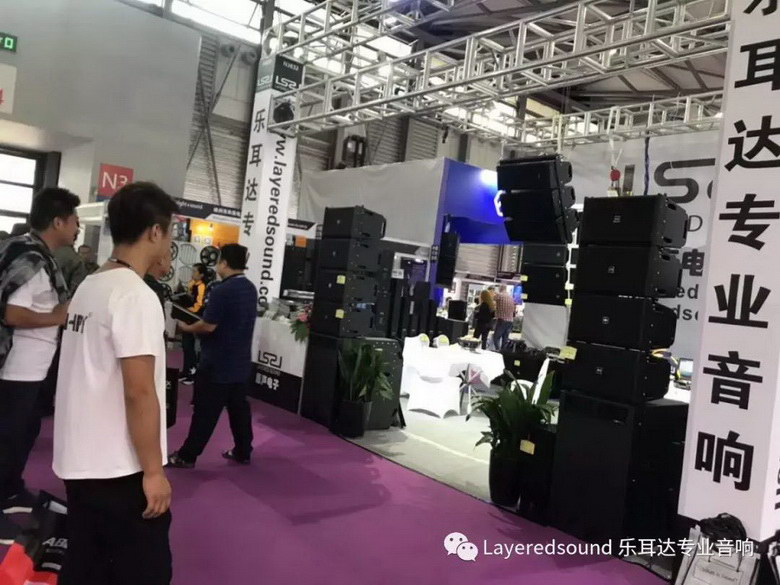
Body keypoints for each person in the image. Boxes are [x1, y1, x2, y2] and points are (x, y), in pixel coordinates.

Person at [54, 182, 177, 585]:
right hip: (118, 468)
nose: (169, 242)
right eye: (170, 231)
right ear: (155, 232)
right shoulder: (134, 296)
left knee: (87, 565)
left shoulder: (91, 285)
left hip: (79, 459)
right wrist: (153, 472)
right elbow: (139, 391)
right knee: (143, 571)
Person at [0, 188, 79, 544]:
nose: (77, 228)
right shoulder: (30, 258)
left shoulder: (35, 253)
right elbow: (13, 314)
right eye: (74, 221)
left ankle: (10, 489)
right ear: (58, 222)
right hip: (16, 368)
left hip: (30, 369)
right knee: (6, 437)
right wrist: (57, 316)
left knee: (22, 433)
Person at [168, 244, 258, 469]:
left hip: (217, 363)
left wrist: (186, 328)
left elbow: (209, 326)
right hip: (240, 362)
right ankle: (243, 451)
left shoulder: (221, 290)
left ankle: (187, 456)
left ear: (224, 263)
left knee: (204, 412)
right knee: (239, 410)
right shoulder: (250, 289)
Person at [179, 263, 206, 385]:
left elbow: (198, 305)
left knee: (192, 347)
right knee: (186, 346)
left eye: (195, 271)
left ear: (201, 274)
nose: (192, 273)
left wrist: (187, 310)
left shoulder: (201, 286)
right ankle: (185, 371)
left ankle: (192, 373)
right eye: (192, 270)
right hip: (187, 317)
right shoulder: (191, 283)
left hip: (195, 319)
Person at [493, 285, 516, 351]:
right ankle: (503, 352)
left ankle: (498, 350)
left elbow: (492, 300)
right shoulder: (511, 297)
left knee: (496, 337)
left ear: (500, 288)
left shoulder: (499, 295)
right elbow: (514, 310)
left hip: (502, 320)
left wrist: (494, 293)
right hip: (510, 321)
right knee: (505, 339)